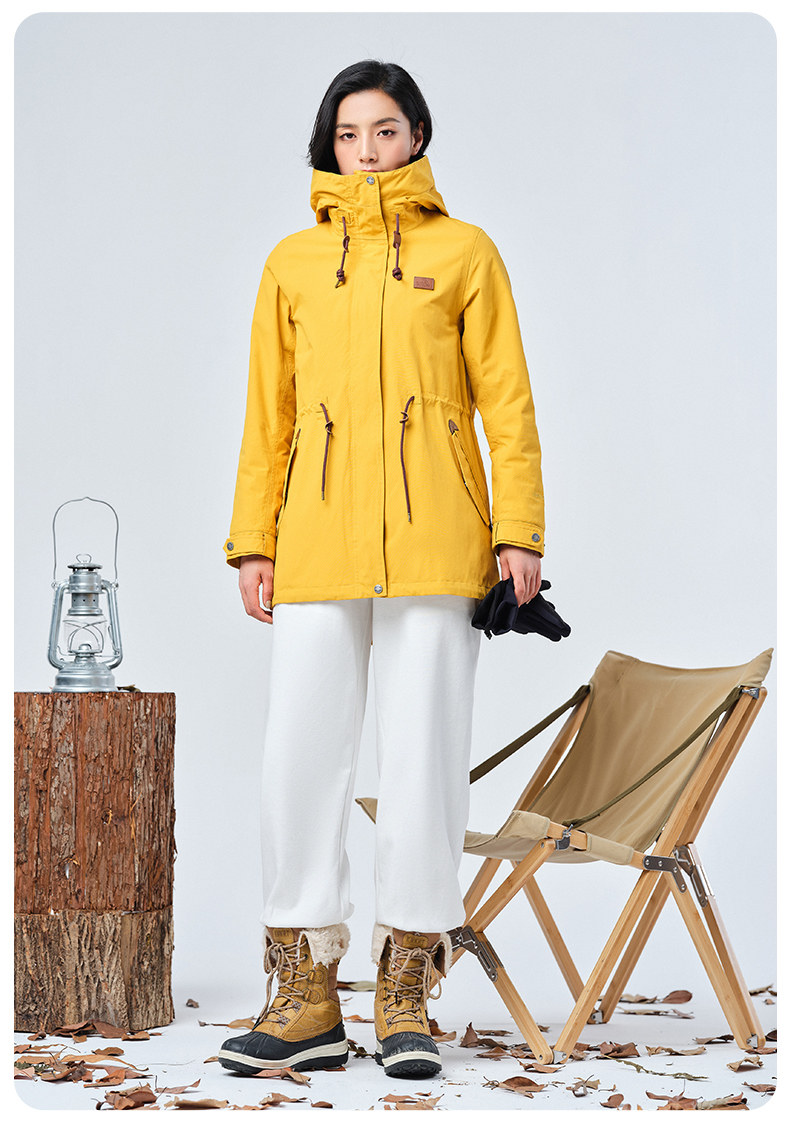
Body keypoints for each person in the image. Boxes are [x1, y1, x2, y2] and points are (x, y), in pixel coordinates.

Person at [218, 59, 544, 1081]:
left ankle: (406, 986)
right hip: (315, 542)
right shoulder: (291, 264)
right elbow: (267, 414)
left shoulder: (466, 252)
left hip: (439, 540)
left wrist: (520, 530)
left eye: (387, 130)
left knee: (422, 762)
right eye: (350, 133)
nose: (368, 149)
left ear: (417, 137)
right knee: (299, 760)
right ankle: (306, 994)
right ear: (330, 144)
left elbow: (507, 405)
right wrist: (254, 539)